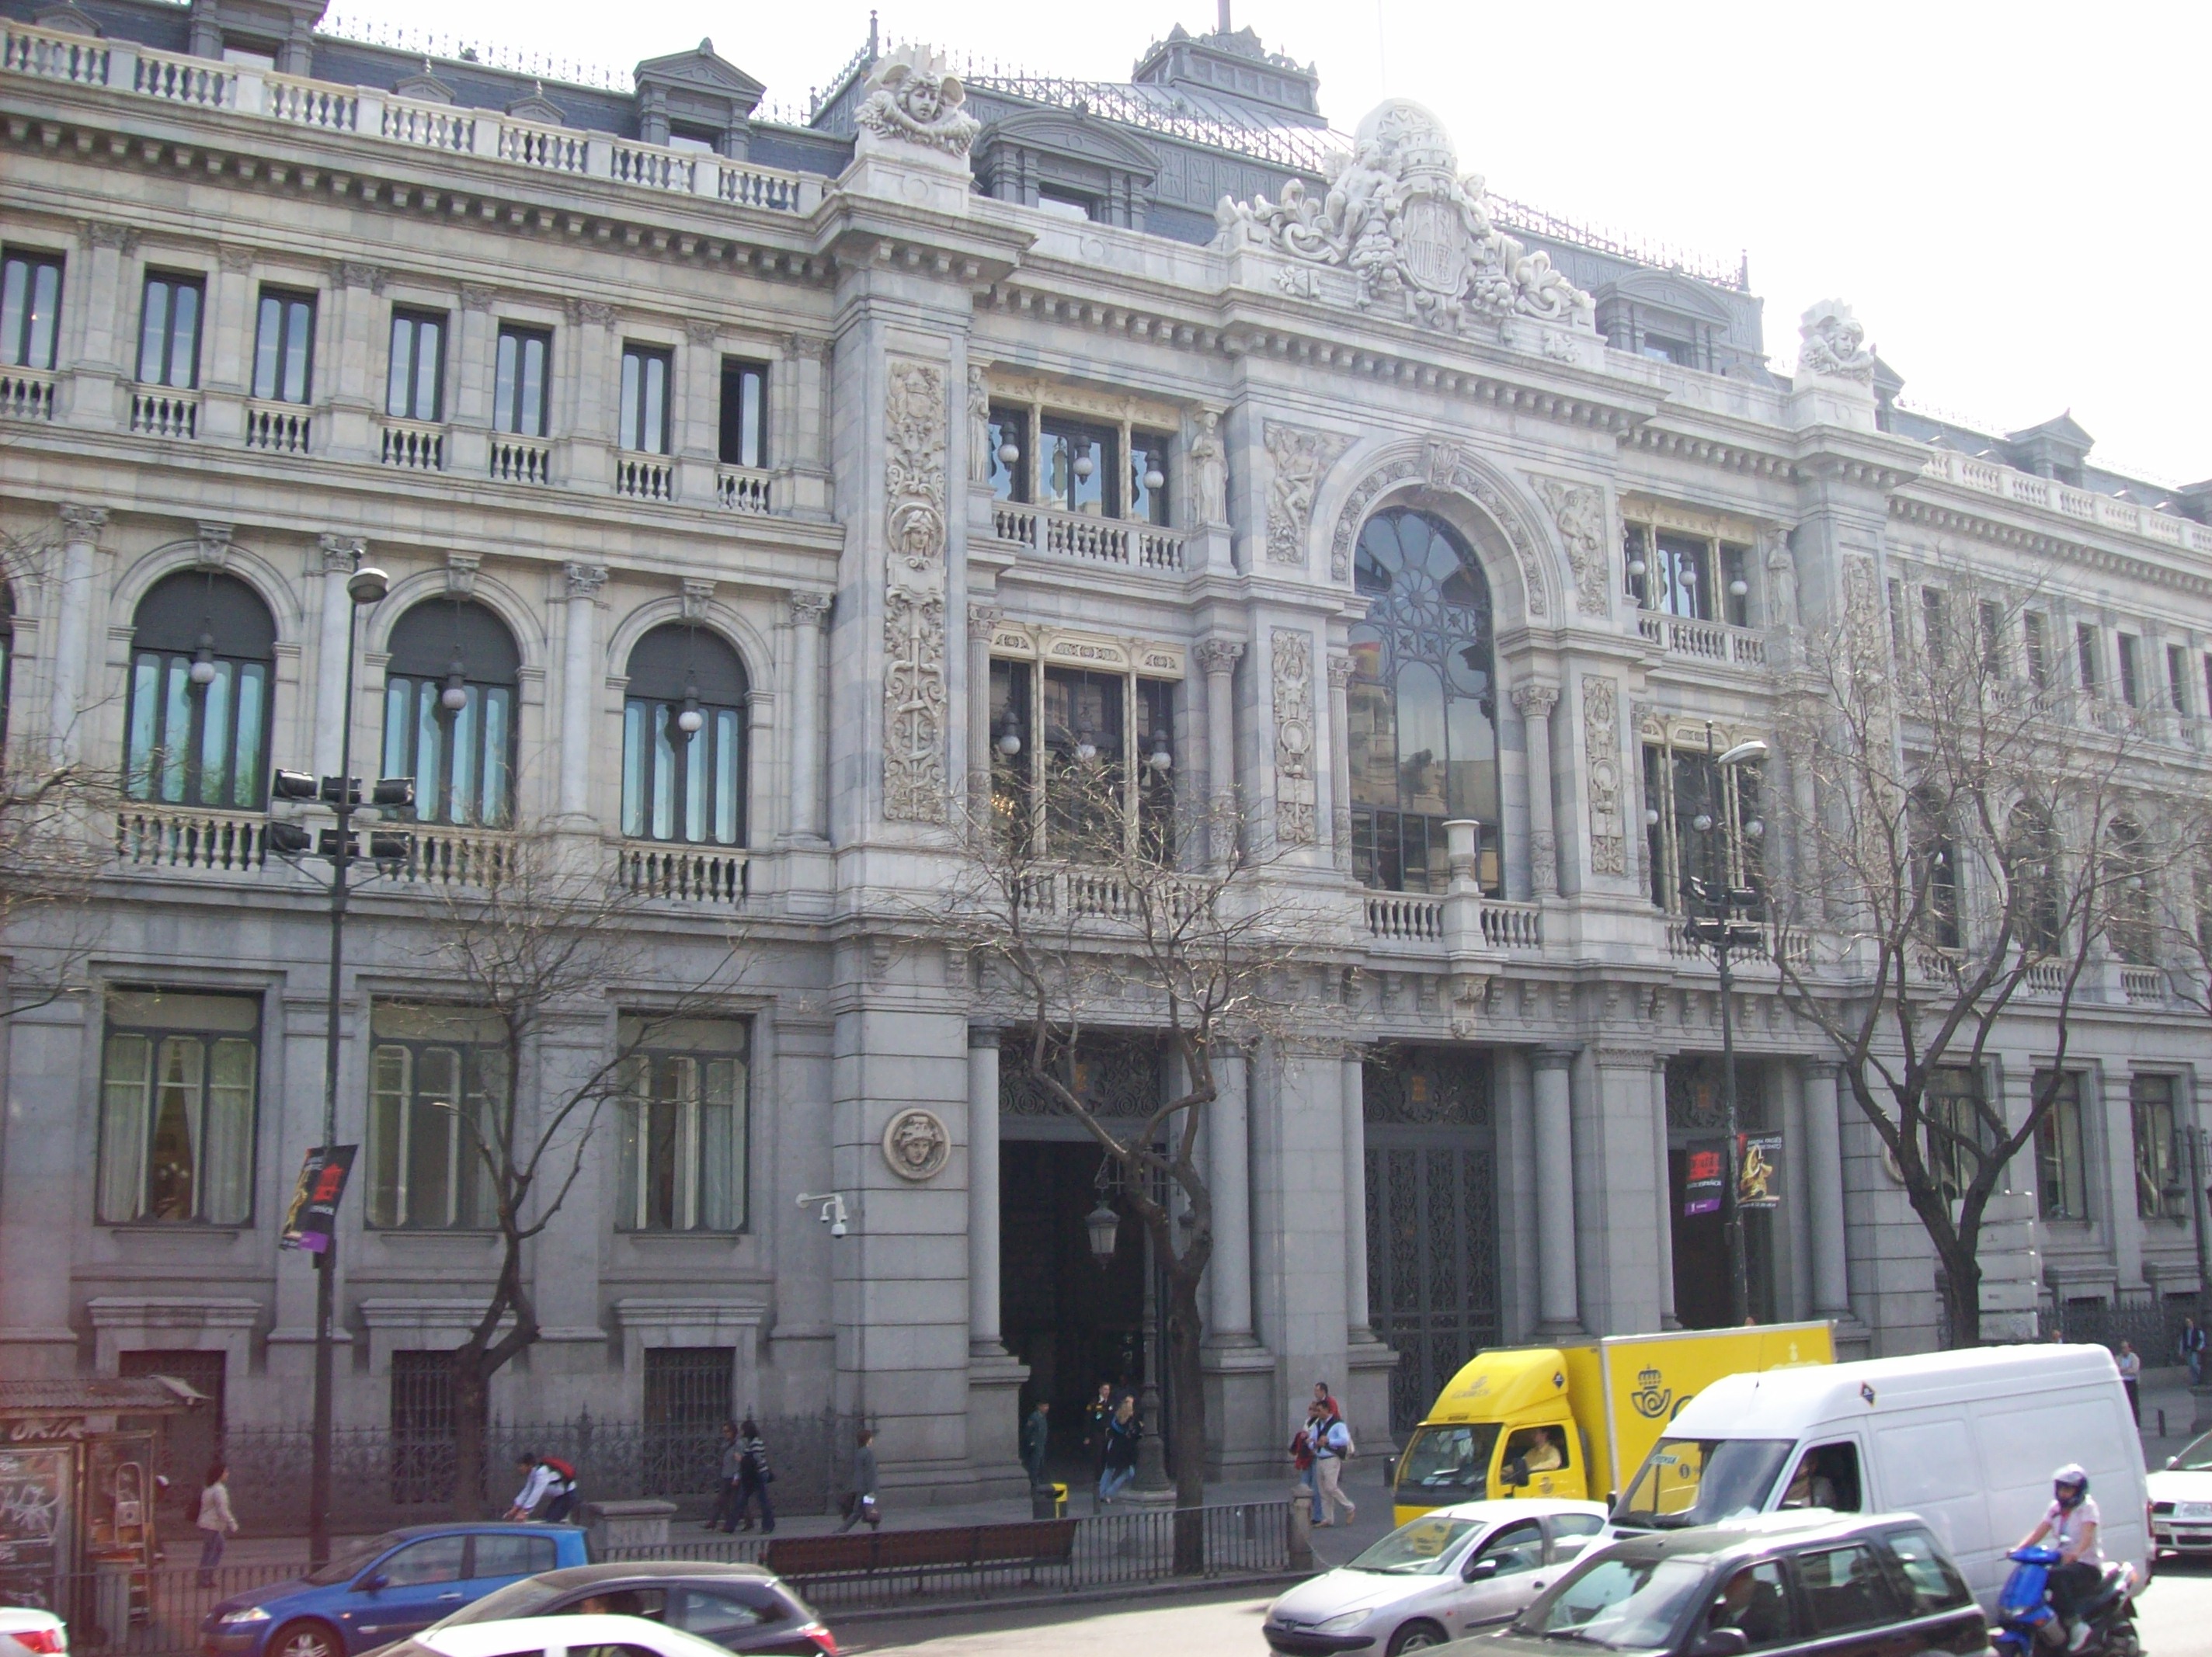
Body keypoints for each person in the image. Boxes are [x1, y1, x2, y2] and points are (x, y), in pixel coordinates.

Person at [2018, 1463, 2103, 1652]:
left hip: (2086, 1566)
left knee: (2055, 1577)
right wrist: (2018, 1549)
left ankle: (2076, 1625)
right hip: (2064, 1564)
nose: (2063, 1493)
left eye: (2068, 1489)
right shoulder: (2055, 1508)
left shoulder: (2087, 1508)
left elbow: (2087, 1537)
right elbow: (2040, 1531)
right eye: (2061, 1489)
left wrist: (2076, 1554)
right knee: (2038, 1578)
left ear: (2079, 1490)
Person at [193, 1461, 238, 1587]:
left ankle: (204, 1576)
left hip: (207, 1524)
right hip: (213, 1525)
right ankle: (205, 1578)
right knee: (213, 1550)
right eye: (226, 1472)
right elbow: (222, 1510)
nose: (227, 1474)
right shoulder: (219, 1490)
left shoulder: (209, 1488)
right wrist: (232, 1522)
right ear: (220, 1474)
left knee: (212, 1550)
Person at [1312, 1405, 1356, 1527]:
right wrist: (1313, 1443)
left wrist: (1329, 1441)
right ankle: (1328, 1518)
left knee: (1331, 1487)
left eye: (1320, 1410)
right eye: (1316, 1411)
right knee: (1322, 1491)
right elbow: (1313, 1439)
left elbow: (1344, 1440)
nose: (1317, 1413)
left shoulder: (1337, 1424)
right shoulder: (1317, 1425)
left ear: (1327, 1410)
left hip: (1331, 1458)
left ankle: (1349, 1507)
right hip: (1320, 1458)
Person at [735, 1417, 775, 1534]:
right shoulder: (750, 1442)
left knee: (762, 1500)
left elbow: (756, 1459)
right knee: (745, 1498)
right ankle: (733, 1523)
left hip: (759, 1474)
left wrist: (742, 1459)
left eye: (742, 1430)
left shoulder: (756, 1442)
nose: (741, 1432)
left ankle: (768, 1525)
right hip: (754, 1474)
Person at [1097, 1395, 1139, 1506]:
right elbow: (1134, 1434)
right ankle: (1109, 1492)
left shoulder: (1116, 1418)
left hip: (1114, 1446)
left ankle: (1102, 1493)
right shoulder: (1131, 1421)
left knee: (1109, 1470)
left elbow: (1110, 1431)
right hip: (1126, 1449)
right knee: (1128, 1473)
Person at [837, 1428, 881, 1532]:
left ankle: (876, 1530)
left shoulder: (859, 1453)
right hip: (868, 1489)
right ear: (867, 1439)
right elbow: (870, 1473)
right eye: (870, 1438)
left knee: (868, 1509)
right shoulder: (868, 1453)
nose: (872, 1440)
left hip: (860, 1487)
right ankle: (841, 1531)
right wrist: (872, 1489)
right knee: (863, 1510)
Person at [1289, 1404, 1323, 1524]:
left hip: (1315, 1455)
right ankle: (1304, 1513)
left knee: (1315, 1487)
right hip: (1305, 1455)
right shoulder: (1307, 1421)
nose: (1311, 1412)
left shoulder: (1319, 1423)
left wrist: (1310, 1439)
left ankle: (1318, 1515)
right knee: (1303, 1485)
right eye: (1310, 1409)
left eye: (1315, 1410)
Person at [705, 1423, 742, 1532]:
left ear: (733, 1432)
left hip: (733, 1476)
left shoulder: (738, 1445)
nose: (725, 1434)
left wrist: (736, 1477)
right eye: (724, 1431)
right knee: (722, 1501)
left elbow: (738, 1463)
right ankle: (714, 1522)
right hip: (725, 1475)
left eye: (727, 1431)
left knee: (732, 1502)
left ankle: (722, 1523)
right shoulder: (725, 1445)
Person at [1084, 1383, 1115, 1488]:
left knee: (1107, 1455)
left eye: (1108, 1390)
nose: (1107, 1392)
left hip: (1108, 1433)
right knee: (1098, 1454)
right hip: (1097, 1432)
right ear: (1100, 1390)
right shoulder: (1094, 1403)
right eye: (1105, 1389)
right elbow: (1088, 1420)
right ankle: (1098, 1477)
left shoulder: (1111, 1403)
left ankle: (1106, 1477)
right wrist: (1087, 1436)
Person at [1020, 1398, 1051, 1489]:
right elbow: (1028, 1431)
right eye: (1044, 1406)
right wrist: (1031, 1443)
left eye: (1047, 1406)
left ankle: (1039, 1482)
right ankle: (1034, 1483)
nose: (1047, 1408)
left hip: (1041, 1445)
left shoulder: (1043, 1416)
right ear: (1039, 1407)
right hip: (1035, 1445)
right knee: (1034, 1465)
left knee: (1040, 1464)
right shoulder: (1034, 1417)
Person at [2116, 1340, 2142, 1424]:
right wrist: (2127, 1369)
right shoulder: (2118, 1358)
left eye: (2125, 1348)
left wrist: (2123, 1370)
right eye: (2122, 1348)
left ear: (2129, 1348)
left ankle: (2136, 1422)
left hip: (2132, 1382)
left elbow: (2134, 1371)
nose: (2123, 1350)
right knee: (2124, 1403)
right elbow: (2116, 1370)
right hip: (2123, 1383)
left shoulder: (2134, 1358)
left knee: (2134, 1403)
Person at [2182, 1318, 2207, 1387]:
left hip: (2194, 1350)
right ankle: (2195, 1381)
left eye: (2189, 1322)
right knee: (2191, 1367)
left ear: (2192, 1322)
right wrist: (2181, 1351)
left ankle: (2201, 1375)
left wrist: (2199, 1347)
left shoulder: (2197, 1331)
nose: (2188, 1324)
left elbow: (2202, 1339)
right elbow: (2182, 1341)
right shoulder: (2185, 1332)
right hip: (2188, 1350)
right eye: (2187, 1323)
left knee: (2194, 1364)